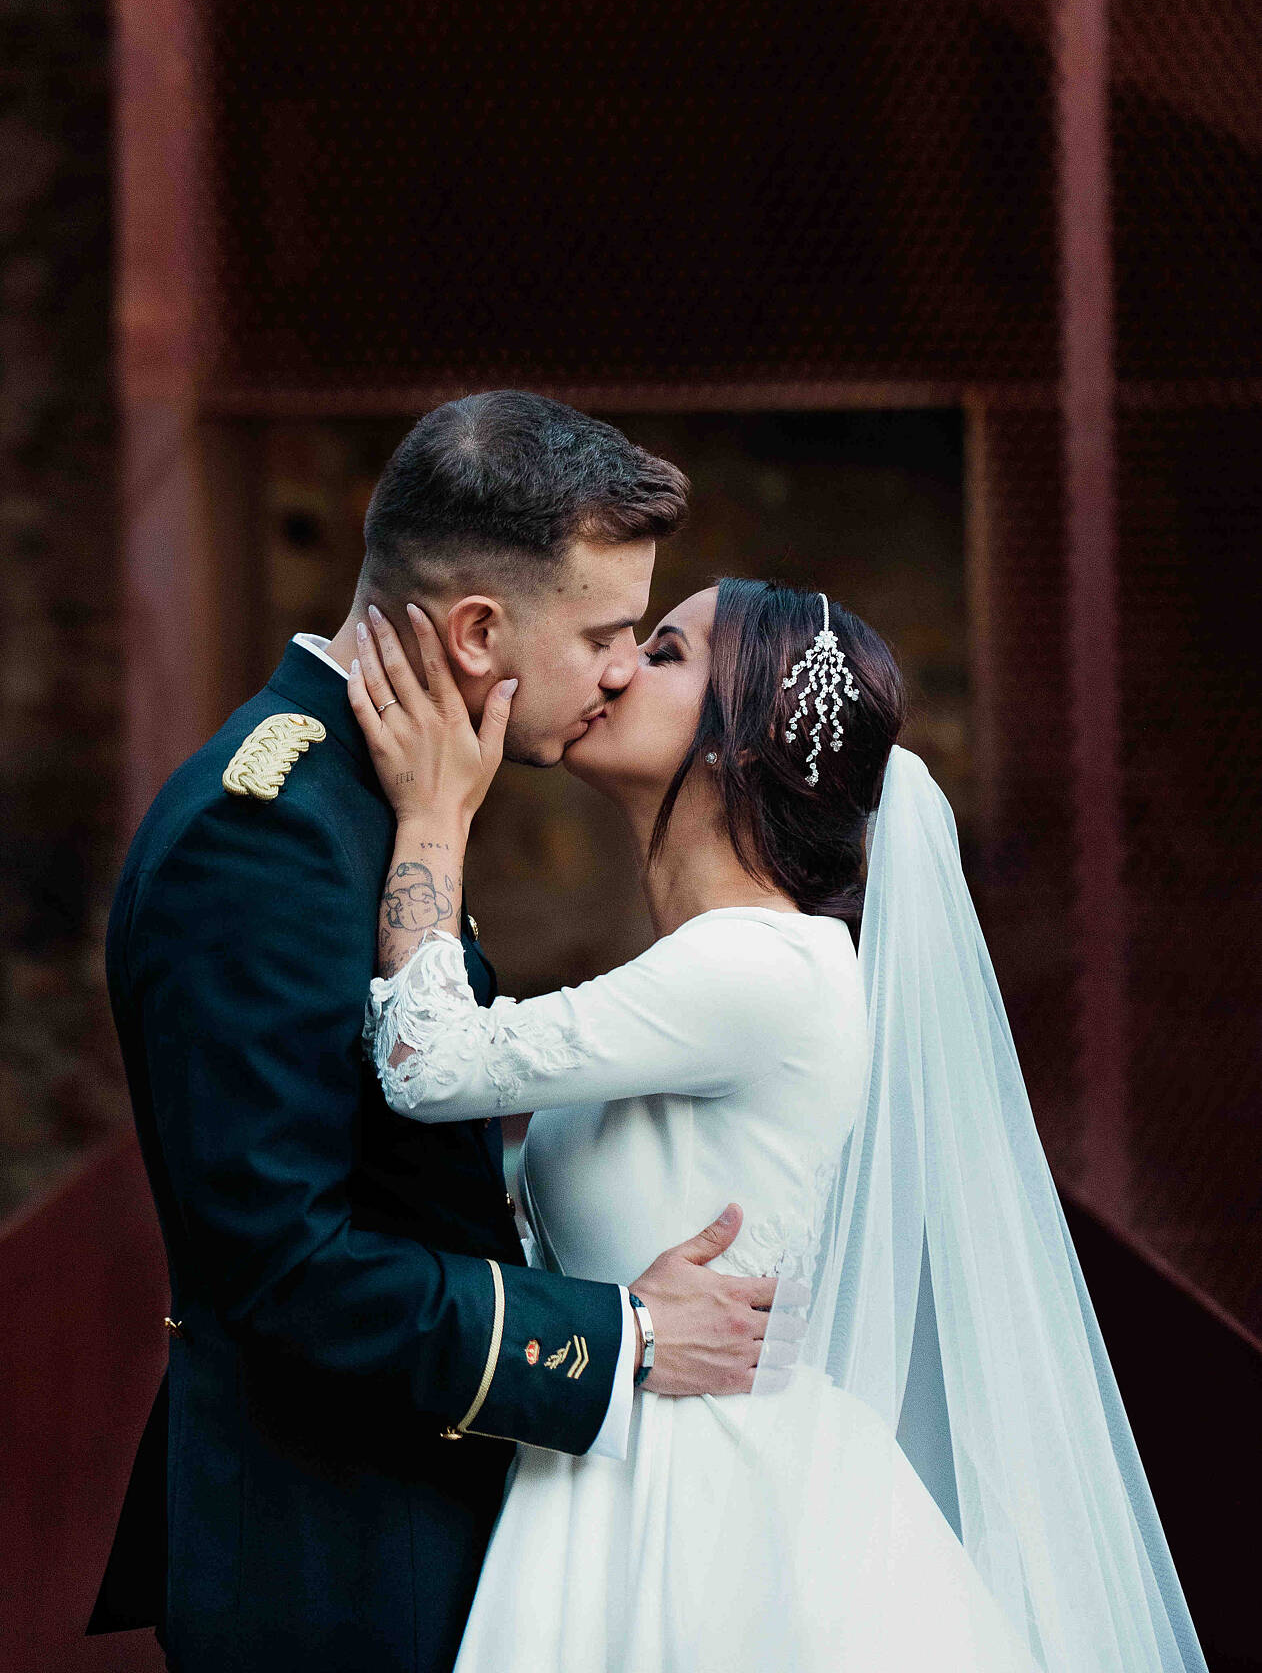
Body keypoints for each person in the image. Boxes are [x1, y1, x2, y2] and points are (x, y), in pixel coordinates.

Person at [348, 576, 1210, 1673]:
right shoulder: (717, 965)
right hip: (624, 1458)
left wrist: (433, 815)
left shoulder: (758, 967)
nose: (615, 665)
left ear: (737, 745)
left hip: (700, 1510)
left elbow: (426, 1061)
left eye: (664, 652)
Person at [89, 394, 788, 1673]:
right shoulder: (268, 833)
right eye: (602, 634)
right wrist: (622, 1337)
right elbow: (282, 1262)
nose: (620, 670)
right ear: (475, 631)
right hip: (336, 1560)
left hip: (409, 1518)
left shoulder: (382, 798)